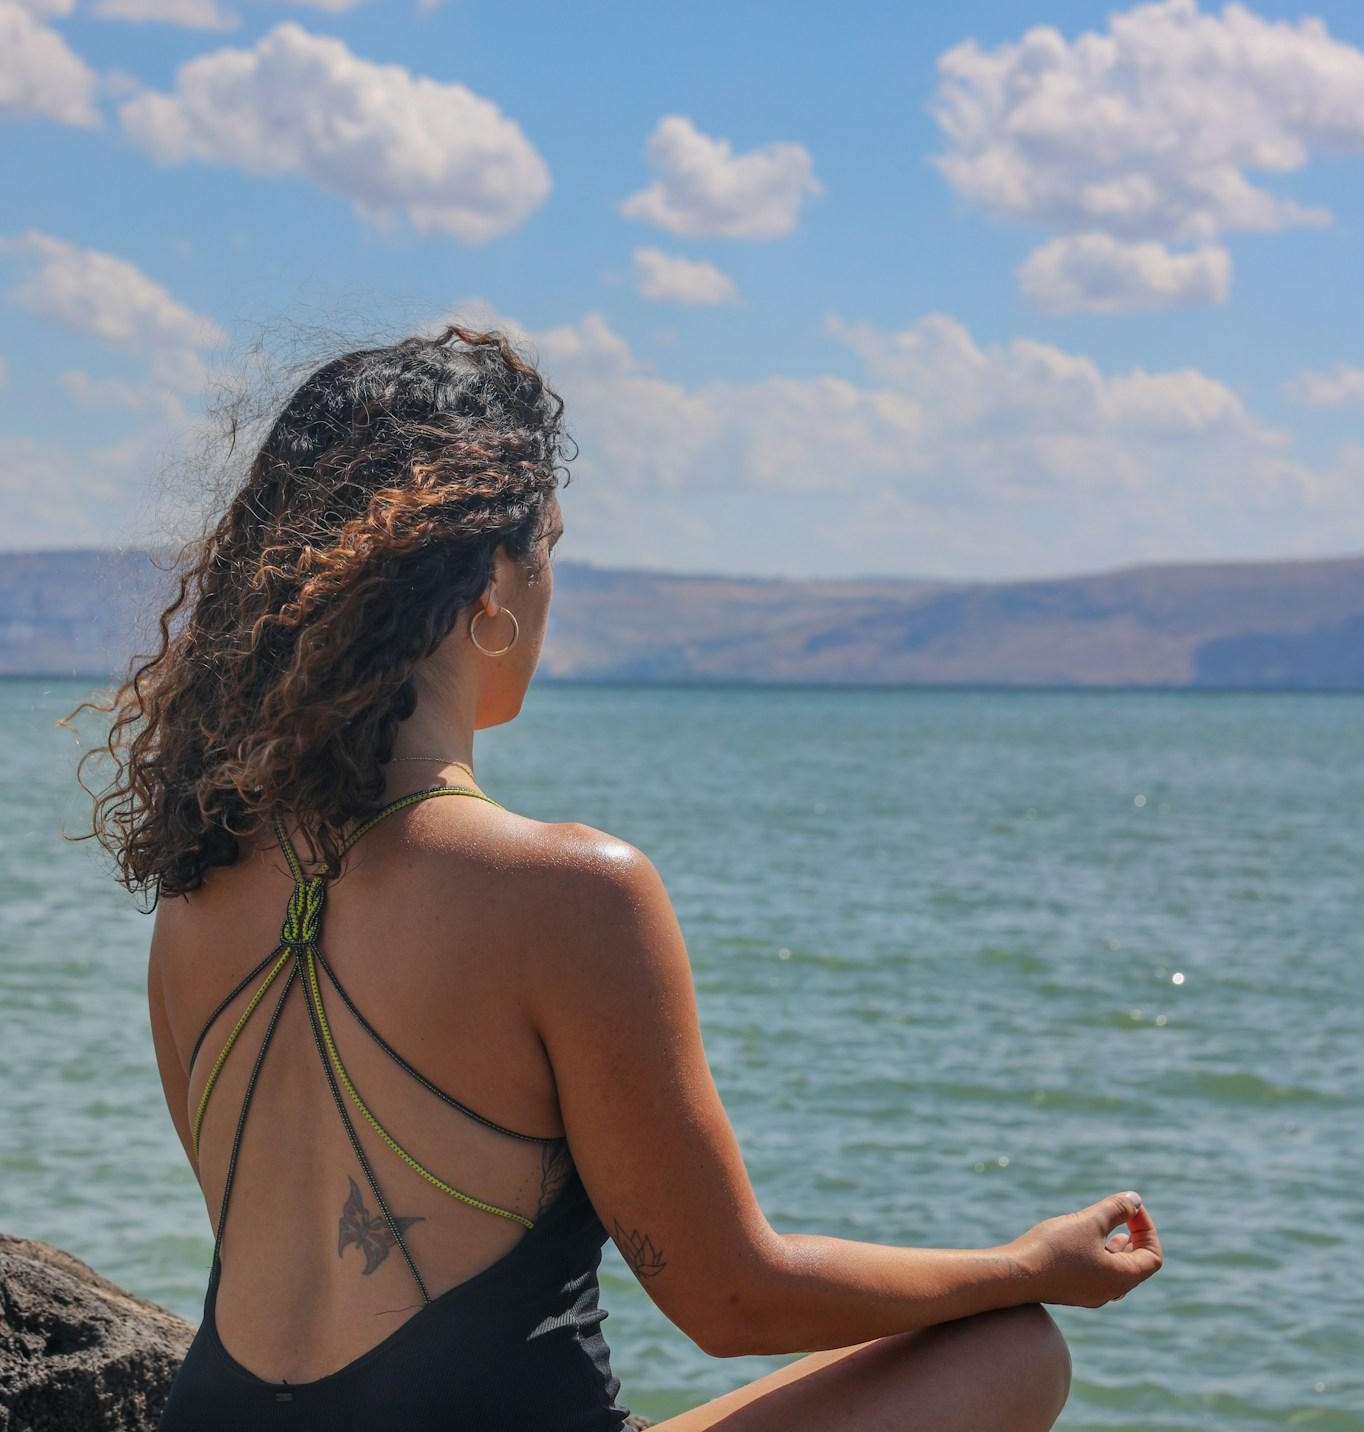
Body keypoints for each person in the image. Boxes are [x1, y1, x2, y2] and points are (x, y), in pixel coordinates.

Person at [74, 324, 1162, 1431]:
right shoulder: (571, 891)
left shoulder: (197, 893)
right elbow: (733, 1296)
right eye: (549, 546)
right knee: (1011, 1348)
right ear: (490, 583)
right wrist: (1027, 1264)